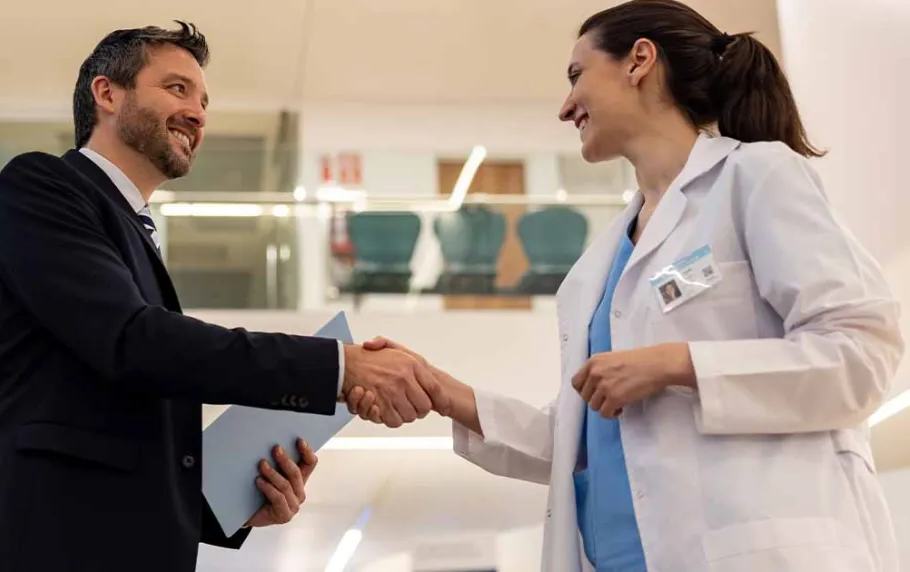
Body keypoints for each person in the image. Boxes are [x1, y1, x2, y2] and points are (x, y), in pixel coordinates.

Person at [350, 1, 903, 570]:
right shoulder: (598, 263)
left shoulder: (755, 176)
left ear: (640, 60)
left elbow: (860, 356)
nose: (566, 108)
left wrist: (676, 363)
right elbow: (582, 439)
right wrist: (443, 393)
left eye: (575, 76)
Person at [0, 21, 445, 572]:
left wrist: (226, 505)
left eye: (203, 101)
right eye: (176, 89)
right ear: (107, 93)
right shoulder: (43, 187)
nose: (197, 114)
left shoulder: (131, 231)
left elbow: (114, 435)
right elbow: (134, 344)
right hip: (26, 543)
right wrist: (339, 369)